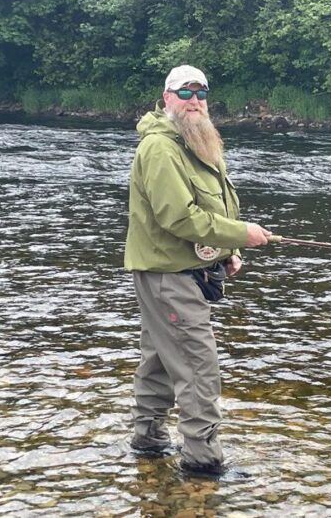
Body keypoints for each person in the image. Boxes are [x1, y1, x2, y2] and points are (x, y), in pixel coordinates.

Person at [123, 64, 271, 475]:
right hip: (168, 275)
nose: (194, 101)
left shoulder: (194, 141)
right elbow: (179, 217)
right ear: (166, 97)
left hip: (179, 270)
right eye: (184, 93)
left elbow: (207, 210)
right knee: (197, 366)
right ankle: (203, 463)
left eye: (201, 93)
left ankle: (148, 442)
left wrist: (224, 253)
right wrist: (241, 234)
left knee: (158, 360)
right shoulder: (159, 147)